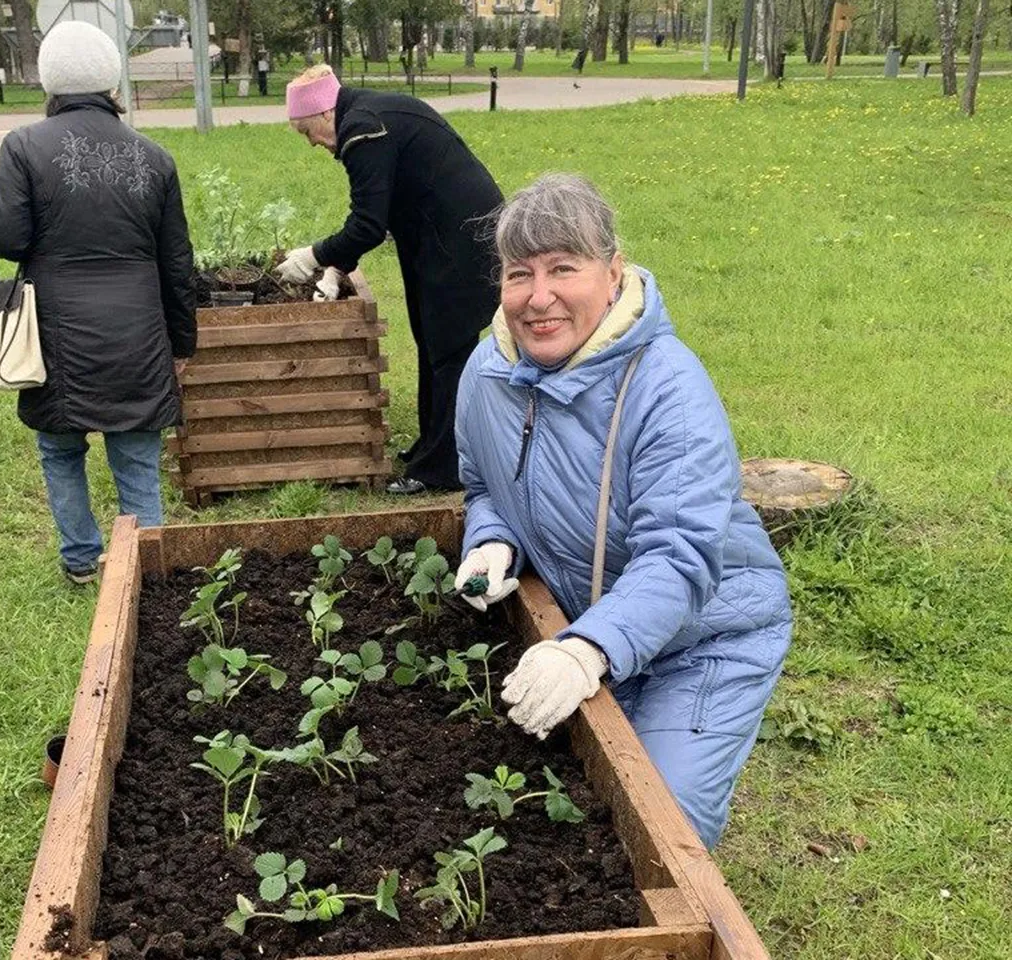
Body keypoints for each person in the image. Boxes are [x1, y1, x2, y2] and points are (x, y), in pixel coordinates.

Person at [454, 174, 791, 849]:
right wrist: (492, 543)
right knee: (558, 820)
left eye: (563, 268)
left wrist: (586, 651)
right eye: (520, 273)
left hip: (705, 639)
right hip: (589, 619)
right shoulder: (487, 374)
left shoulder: (668, 391)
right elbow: (483, 484)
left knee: (660, 830)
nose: (539, 296)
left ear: (613, 274)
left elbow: (680, 555)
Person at [0, 20, 196, 585]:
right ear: (111, 81)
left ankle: (81, 560)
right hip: (139, 332)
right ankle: (143, 567)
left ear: (49, 80)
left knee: (60, 450)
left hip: (57, 333)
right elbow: (177, 262)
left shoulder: (23, 146)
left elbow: (4, 238)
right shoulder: (155, 157)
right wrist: (183, 343)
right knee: (137, 456)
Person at [277, 64, 503, 495]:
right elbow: (376, 219)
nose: (312, 144)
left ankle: (444, 471)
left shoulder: (363, 131)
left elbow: (366, 224)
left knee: (448, 351)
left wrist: (314, 256)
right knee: (432, 343)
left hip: (459, 240)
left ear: (326, 114)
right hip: (437, 236)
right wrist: (335, 268)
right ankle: (431, 449)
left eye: (308, 132)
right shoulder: (367, 115)